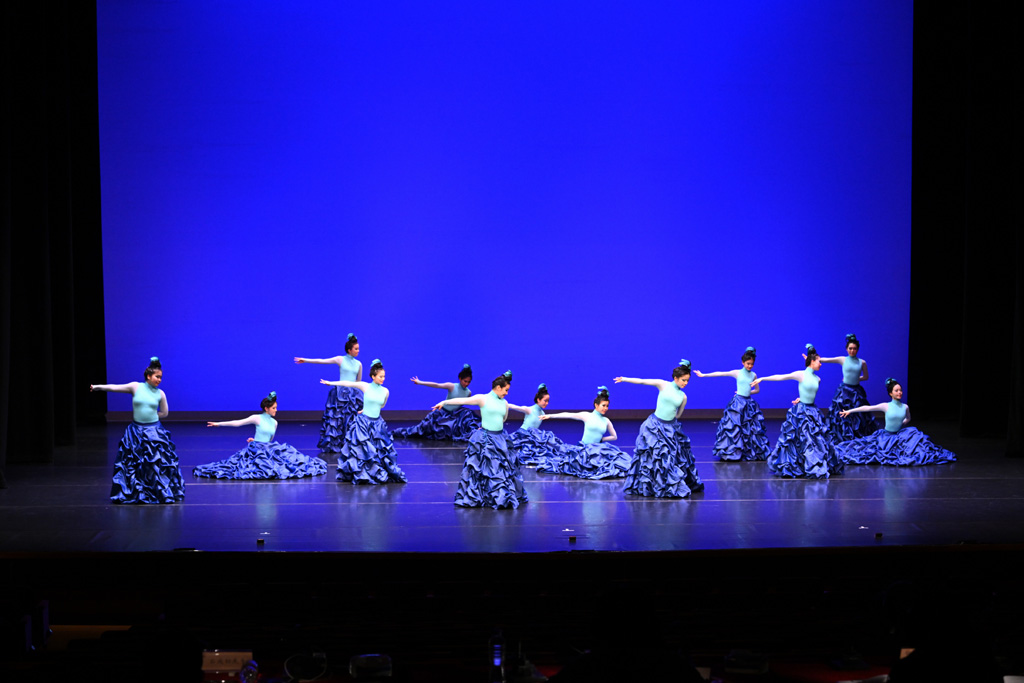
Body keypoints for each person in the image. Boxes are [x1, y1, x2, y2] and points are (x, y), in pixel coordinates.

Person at [91, 357, 185, 504]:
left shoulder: (160, 393)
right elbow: (115, 387)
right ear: (148, 376)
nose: (159, 380)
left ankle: (159, 492)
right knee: (133, 463)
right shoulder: (135, 387)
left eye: (161, 377)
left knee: (154, 464)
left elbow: (165, 413)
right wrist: (97, 387)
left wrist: (153, 415)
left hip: (153, 432)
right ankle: (136, 491)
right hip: (135, 431)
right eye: (157, 377)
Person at [434, 371, 533, 509]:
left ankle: (500, 495)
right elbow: (463, 401)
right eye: (506, 390)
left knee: (501, 469)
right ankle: (485, 495)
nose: (507, 393)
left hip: (500, 439)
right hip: (486, 439)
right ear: (498, 387)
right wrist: (444, 402)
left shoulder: (504, 402)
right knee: (485, 469)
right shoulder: (483, 398)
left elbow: (503, 419)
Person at [752, 344, 843, 478]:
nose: (821, 364)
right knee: (801, 439)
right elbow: (781, 377)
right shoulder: (801, 374)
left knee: (814, 440)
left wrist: (801, 397)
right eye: (819, 361)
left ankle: (813, 464)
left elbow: (809, 391)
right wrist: (762, 378)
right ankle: (800, 465)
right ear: (812, 361)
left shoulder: (818, 379)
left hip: (813, 411)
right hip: (801, 412)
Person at [616, 360, 703, 498]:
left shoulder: (683, 396)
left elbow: (678, 414)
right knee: (654, 455)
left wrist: (672, 423)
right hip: (654, 426)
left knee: (669, 457)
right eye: (683, 380)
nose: (685, 383)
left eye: (687, 380)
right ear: (676, 378)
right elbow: (643, 381)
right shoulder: (663, 384)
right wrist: (625, 379)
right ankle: (651, 484)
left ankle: (668, 483)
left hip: (670, 428)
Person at [193, 391, 328, 479]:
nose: (276, 410)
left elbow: (270, 440)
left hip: (267, 449)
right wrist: (218, 424)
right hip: (257, 449)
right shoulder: (257, 418)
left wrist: (258, 440)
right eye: (274, 408)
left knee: (290, 460)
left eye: (276, 408)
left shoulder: (275, 422)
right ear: (266, 408)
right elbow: (238, 423)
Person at [320, 359, 406, 484]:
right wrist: (330, 382)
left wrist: (368, 407)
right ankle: (362, 473)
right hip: (363, 423)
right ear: (373, 376)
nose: (383, 379)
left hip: (377, 424)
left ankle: (377, 471)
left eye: (384, 376)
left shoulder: (385, 391)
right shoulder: (365, 386)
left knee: (379, 450)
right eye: (380, 376)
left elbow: (382, 405)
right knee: (362, 450)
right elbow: (348, 383)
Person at [835, 378, 956, 466]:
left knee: (919, 445)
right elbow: (867, 408)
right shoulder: (886, 406)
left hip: (900, 435)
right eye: (896, 390)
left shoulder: (905, 407)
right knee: (865, 449)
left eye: (900, 390)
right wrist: (850, 411)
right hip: (886, 437)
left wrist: (902, 424)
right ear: (890, 393)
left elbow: (908, 418)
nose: (899, 392)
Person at [694, 346, 771, 461]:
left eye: (752, 364)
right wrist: (704, 375)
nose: (750, 366)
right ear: (743, 362)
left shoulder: (753, 375)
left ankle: (749, 451)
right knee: (734, 427)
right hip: (738, 403)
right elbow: (721, 373)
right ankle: (733, 452)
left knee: (750, 429)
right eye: (748, 363)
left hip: (749, 404)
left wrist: (748, 391)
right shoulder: (737, 373)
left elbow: (757, 390)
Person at [537, 386, 631, 479]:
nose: (605, 408)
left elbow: (614, 437)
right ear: (596, 405)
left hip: (598, 449)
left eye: (607, 406)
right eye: (603, 405)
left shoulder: (606, 420)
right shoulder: (587, 416)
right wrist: (550, 416)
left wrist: (602, 439)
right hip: (585, 450)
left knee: (619, 461)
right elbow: (568, 415)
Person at [294, 332, 363, 455]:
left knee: (350, 420)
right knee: (336, 419)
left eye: (358, 348)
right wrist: (306, 360)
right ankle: (334, 443)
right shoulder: (340, 359)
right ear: (349, 350)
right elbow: (322, 361)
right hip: (340, 393)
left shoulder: (359, 364)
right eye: (356, 349)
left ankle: (349, 444)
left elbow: (358, 382)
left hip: (352, 394)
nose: (358, 351)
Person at [393, 364, 481, 442]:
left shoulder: (468, 392)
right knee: (422, 429)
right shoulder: (452, 386)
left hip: (454, 416)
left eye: (469, 382)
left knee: (468, 415)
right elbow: (436, 385)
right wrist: (420, 382)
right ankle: (398, 432)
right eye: (465, 381)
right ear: (460, 379)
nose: (466, 384)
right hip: (443, 413)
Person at [818, 333, 879, 442]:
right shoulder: (843, 359)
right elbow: (826, 360)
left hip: (856, 392)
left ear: (857, 349)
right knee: (841, 414)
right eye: (850, 348)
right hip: (844, 391)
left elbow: (866, 377)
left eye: (854, 348)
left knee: (858, 415)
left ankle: (857, 434)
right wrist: (813, 358)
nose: (852, 350)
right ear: (847, 349)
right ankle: (842, 436)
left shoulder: (862, 362)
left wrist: (856, 378)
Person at [508, 383, 567, 467]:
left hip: (533, 437)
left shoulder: (542, 413)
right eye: (545, 401)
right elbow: (516, 407)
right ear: (538, 400)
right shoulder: (529, 410)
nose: (546, 403)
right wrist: (504, 404)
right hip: (522, 436)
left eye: (548, 401)